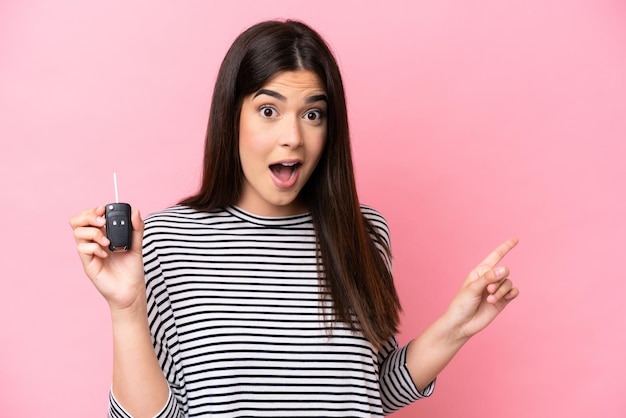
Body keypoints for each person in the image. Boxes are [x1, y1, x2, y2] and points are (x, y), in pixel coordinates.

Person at [70, 20, 519, 418]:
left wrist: (456, 326)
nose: (293, 137)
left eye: (312, 114)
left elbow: (370, 391)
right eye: (269, 111)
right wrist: (126, 311)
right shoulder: (167, 239)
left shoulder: (364, 233)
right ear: (232, 117)